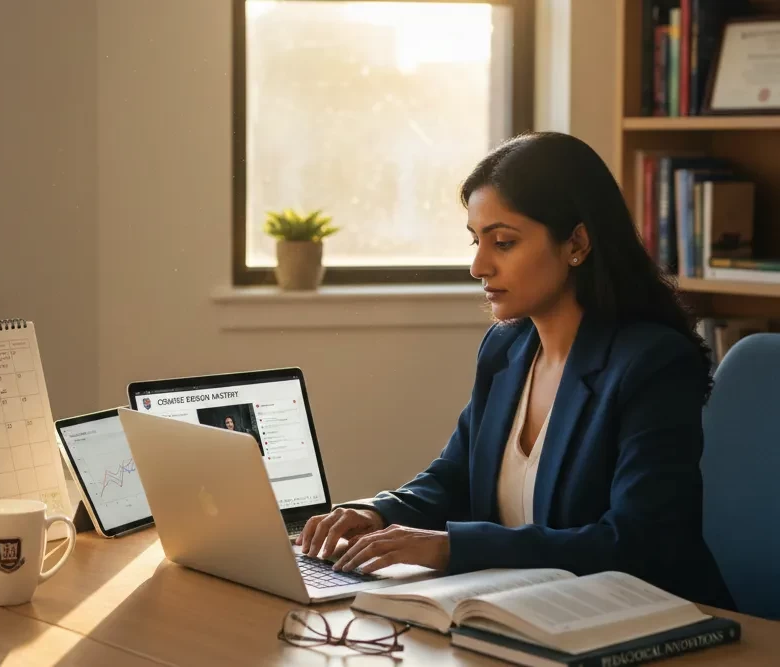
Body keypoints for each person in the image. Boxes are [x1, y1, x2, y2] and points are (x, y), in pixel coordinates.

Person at [296, 131, 735, 610]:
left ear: (578, 243)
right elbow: (455, 475)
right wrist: (377, 512)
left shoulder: (651, 364)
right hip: (530, 613)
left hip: (648, 625)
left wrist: (453, 547)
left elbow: (636, 543)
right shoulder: (506, 348)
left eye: (503, 242)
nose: (478, 266)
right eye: (475, 240)